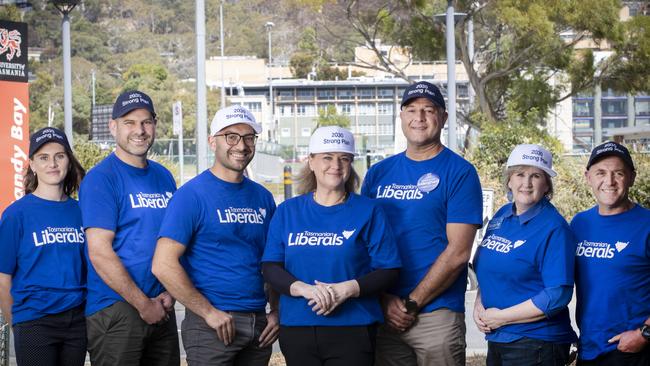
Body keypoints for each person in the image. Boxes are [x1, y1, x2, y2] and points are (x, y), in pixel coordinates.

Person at [361, 81, 483, 366]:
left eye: (429, 110)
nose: (420, 117)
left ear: (443, 118)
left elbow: (458, 253)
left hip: (436, 313)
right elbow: (363, 244)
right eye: (412, 109)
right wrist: (384, 299)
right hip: (384, 311)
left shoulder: (460, 173)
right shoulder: (378, 173)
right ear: (401, 116)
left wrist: (411, 303)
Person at [262, 126, 402, 366]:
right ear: (311, 162)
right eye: (327, 157)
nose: (336, 165)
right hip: (297, 327)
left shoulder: (369, 211)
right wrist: (305, 289)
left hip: (354, 327)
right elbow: (271, 267)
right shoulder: (288, 211)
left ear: (351, 164)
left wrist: (346, 290)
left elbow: (389, 270)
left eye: (344, 158)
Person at [153, 105, 279, 366]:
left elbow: (272, 262)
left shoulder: (263, 197)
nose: (241, 146)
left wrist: (276, 311)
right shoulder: (192, 195)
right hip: (213, 326)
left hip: (259, 324)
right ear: (212, 142)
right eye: (231, 137)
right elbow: (163, 264)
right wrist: (207, 312)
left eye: (248, 137)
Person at [79, 90, 180, 366]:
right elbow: (99, 252)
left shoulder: (164, 176)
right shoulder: (101, 179)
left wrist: (171, 293)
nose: (140, 130)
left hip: (162, 307)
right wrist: (142, 304)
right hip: (117, 309)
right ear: (113, 127)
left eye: (146, 122)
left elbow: (176, 242)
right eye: (129, 123)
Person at [472, 144, 577, 366]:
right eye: (520, 174)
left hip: (536, 342)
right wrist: (479, 305)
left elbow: (557, 295)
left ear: (547, 184)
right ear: (509, 180)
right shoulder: (502, 216)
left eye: (536, 175)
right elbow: (491, 267)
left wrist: (499, 317)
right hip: (499, 337)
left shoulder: (554, 228)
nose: (526, 183)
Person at [0, 127, 87, 366]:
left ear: (68, 160)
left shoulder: (81, 211)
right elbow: (3, 278)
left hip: (77, 321)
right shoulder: (16, 215)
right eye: (43, 158)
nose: (53, 163)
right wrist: (17, 322)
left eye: (59, 156)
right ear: (32, 165)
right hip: (35, 321)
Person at [571, 141, 650, 366]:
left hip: (632, 351)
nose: (609, 181)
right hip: (589, 348)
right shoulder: (579, 223)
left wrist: (644, 334)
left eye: (618, 173)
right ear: (588, 177)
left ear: (632, 177)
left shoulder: (647, 224)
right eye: (601, 173)